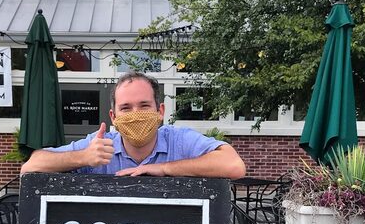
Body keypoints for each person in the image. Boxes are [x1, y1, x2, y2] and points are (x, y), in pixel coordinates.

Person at [21, 71, 246, 179]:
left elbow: (233, 165)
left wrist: (163, 169)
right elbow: (31, 166)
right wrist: (83, 157)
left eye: (144, 106)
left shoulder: (179, 140)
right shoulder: (99, 145)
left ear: (160, 112)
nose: (136, 115)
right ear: (113, 116)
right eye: (126, 108)